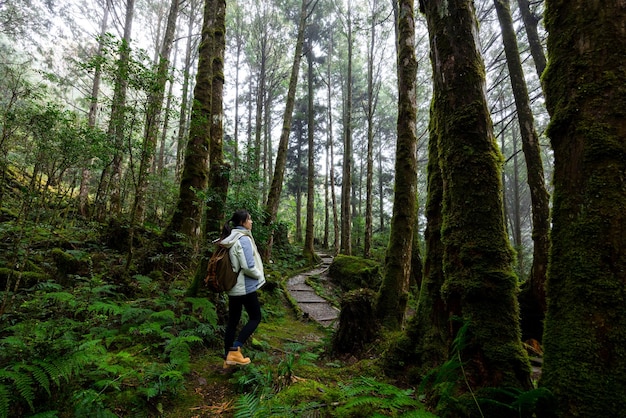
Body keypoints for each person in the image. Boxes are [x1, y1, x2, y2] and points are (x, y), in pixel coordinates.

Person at [219, 209, 266, 368]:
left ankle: (228, 359)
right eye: (250, 219)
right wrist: (259, 275)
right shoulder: (243, 239)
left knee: (232, 322)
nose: (251, 222)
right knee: (256, 317)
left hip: (233, 287)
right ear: (242, 222)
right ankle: (235, 350)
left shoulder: (231, 237)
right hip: (244, 287)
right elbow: (248, 266)